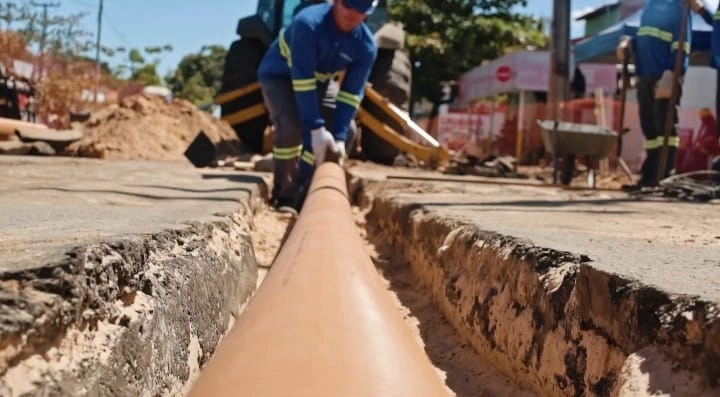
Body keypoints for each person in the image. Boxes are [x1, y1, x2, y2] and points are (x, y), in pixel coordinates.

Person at [258, 0, 379, 214]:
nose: (352, 14)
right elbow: (302, 79)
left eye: (360, 10)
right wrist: (315, 128)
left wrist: (339, 138)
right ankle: (284, 196)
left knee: (348, 131)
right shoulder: (308, 24)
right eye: (348, 6)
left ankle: (307, 195)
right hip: (280, 77)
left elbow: (351, 95)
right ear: (336, 2)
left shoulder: (366, 46)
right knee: (292, 129)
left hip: (319, 82)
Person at [617, 0, 700, 189]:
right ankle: (649, 175)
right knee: (650, 129)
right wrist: (629, 43)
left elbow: (682, 45)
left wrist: (671, 74)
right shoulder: (650, 7)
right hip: (645, 75)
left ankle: (664, 174)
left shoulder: (679, 7)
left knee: (665, 126)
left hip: (664, 75)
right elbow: (645, 36)